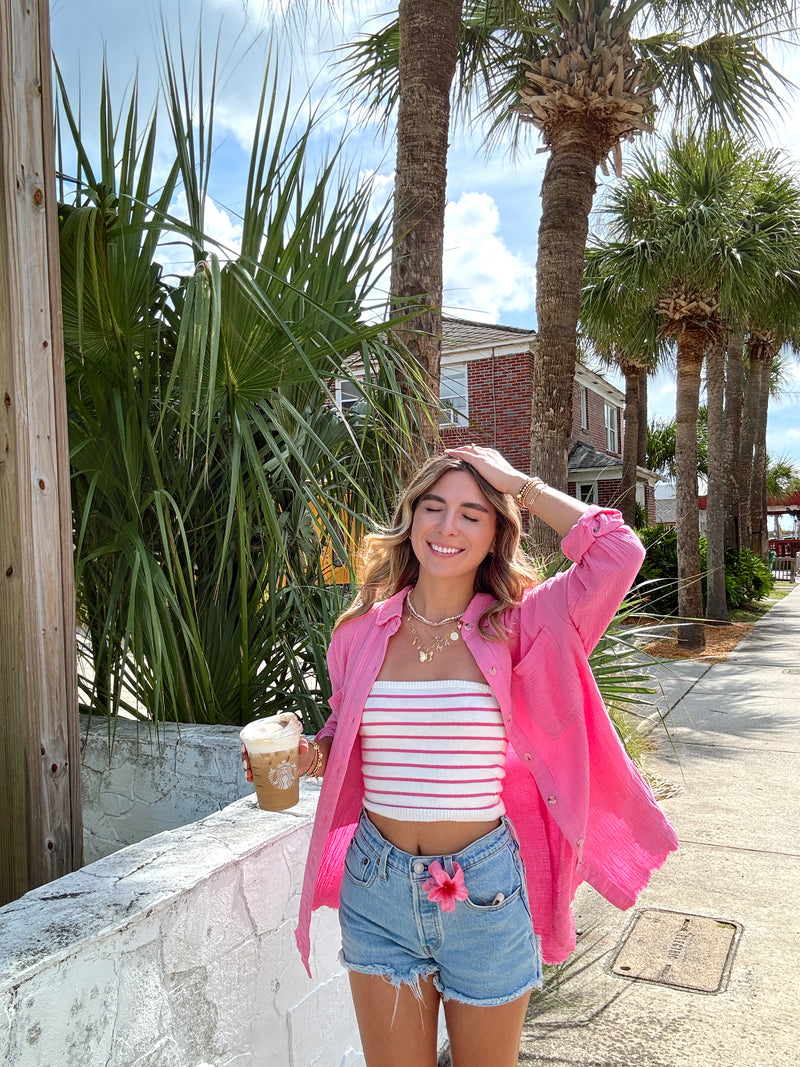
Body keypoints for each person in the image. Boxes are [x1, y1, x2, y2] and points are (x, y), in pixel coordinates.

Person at [242, 445, 678, 1067]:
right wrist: (304, 757)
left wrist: (518, 483)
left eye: (473, 513)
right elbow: (347, 735)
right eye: (434, 506)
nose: (448, 527)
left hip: (484, 891)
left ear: (496, 531)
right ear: (410, 518)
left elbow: (617, 551)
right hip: (378, 884)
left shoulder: (525, 623)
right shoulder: (360, 631)